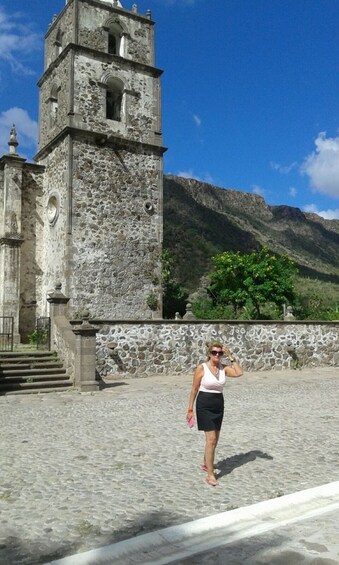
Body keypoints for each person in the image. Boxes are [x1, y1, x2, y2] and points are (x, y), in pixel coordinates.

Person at [186, 341, 243, 486]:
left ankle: (206, 462)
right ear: (209, 354)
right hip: (204, 405)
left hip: (218, 404)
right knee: (210, 439)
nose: (217, 355)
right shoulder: (202, 368)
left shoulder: (223, 368)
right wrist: (190, 409)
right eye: (214, 353)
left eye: (220, 353)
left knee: (215, 439)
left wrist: (230, 356)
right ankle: (210, 475)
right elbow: (194, 389)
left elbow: (239, 373)